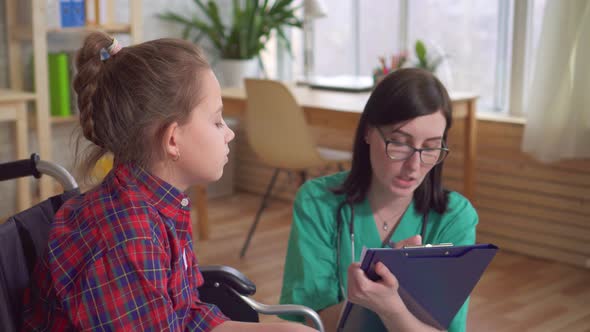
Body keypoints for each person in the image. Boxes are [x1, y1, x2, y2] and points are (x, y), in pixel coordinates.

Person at [21, 32, 314, 332]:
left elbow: (182, 313)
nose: (229, 133)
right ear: (173, 139)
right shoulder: (126, 239)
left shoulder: (159, 204)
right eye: (216, 121)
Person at [279, 68, 478, 332]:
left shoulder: (455, 217)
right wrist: (366, 299)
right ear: (368, 132)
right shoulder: (317, 203)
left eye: (430, 147)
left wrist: (390, 307)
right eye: (399, 143)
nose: (413, 166)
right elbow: (309, 323)